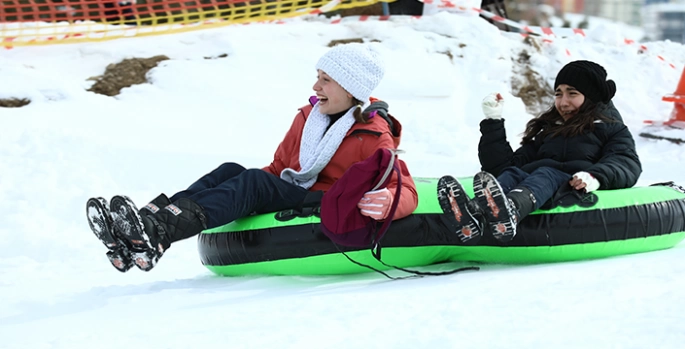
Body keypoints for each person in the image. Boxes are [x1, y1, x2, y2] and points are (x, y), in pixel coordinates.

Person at [86, 43, 419, 272]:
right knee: (231, 171)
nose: (316, 86)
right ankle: (146, 227)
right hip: (296, 189)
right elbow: (278, 168)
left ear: (350, 88)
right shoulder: (310, 116)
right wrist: (237, 189)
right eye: (318, 76)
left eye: (326, 80)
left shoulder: (372, 133)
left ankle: (156, 230)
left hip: (327, 200)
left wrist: (391, 200)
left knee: (255, 182)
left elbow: (402, 186)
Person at [437, 60, 642, 245]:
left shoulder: (611, 129)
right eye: (558, 93)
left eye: (572, 93)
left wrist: (595, 176)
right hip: (536, 182)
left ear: (591, 98)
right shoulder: (548, 132)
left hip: (570, 186)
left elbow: (625, 162)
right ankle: (474, 211)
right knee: (514, 174)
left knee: (546, 173)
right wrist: (493, 123)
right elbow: (502, 167)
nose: (563, 102)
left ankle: (512, 209)